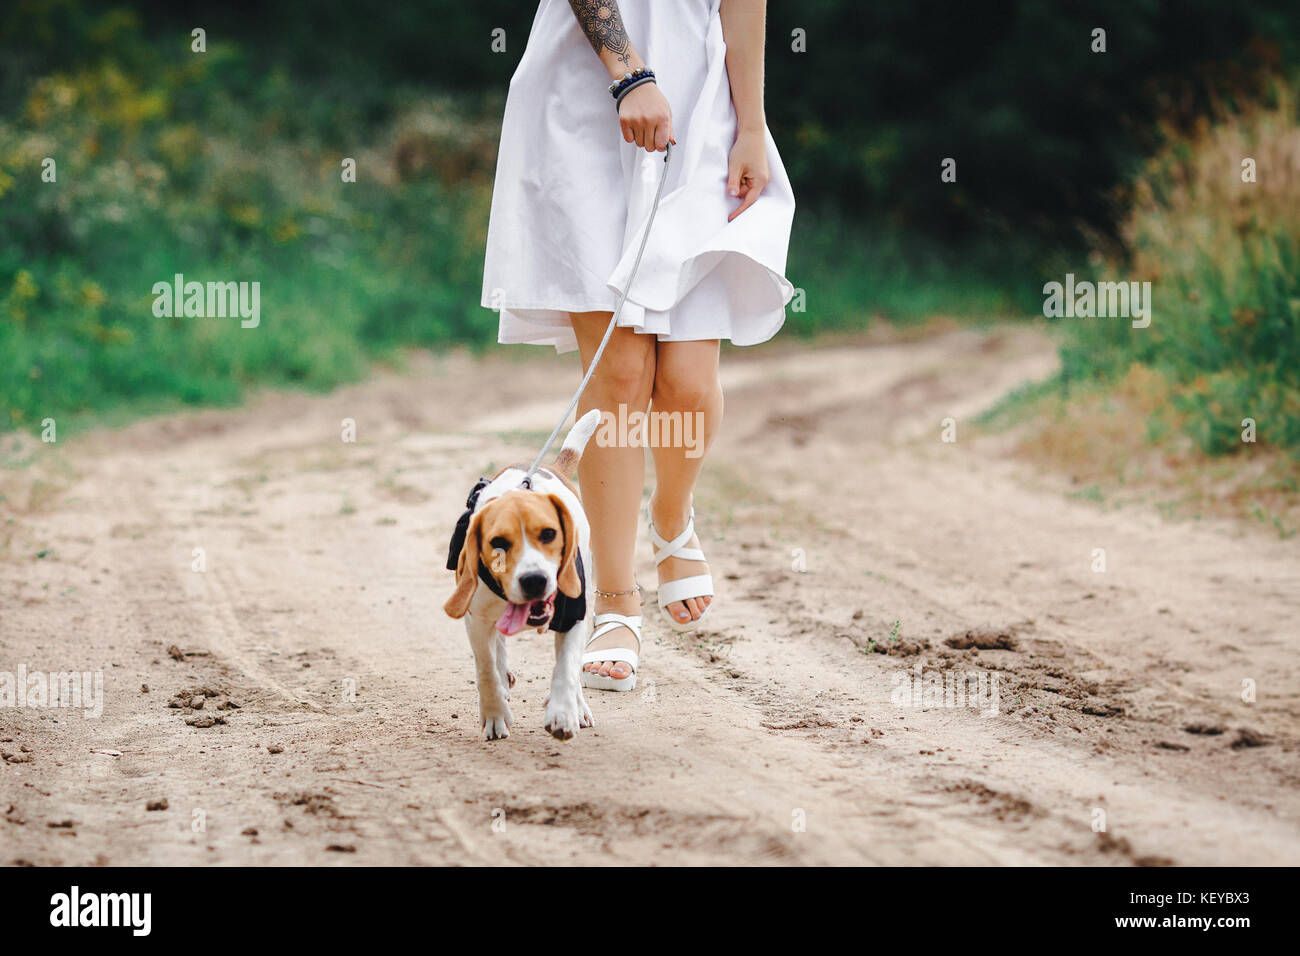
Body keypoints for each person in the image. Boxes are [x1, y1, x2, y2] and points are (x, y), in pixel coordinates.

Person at [481, 0, 795, 692]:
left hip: (697, 101)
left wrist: (752, 125)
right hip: (583, 102)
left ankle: (673, 518)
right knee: (620, 373)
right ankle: (614, 602)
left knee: (685, 379)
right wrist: (628, 75)